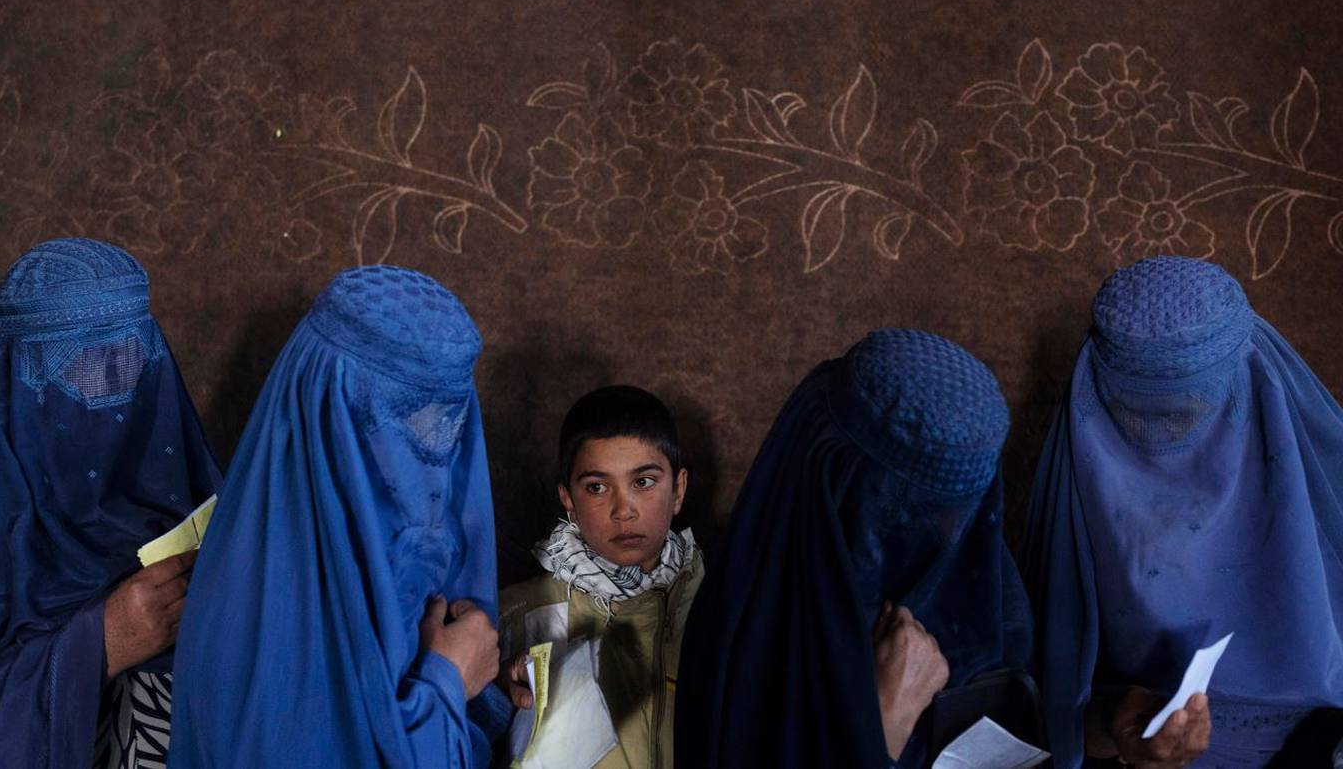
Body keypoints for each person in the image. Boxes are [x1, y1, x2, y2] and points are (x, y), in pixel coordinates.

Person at [167, 265, 509, 768]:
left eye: (445, 420)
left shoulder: (415, 550)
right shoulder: (265, 616)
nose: (429, 450)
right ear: (327, 413)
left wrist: (499, 688)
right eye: (402, 418)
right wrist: (447, 681)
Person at [0, 238, 221, 768]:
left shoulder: (192, 508)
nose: (108, 388)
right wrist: (99, 643)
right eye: (74, 366)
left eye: (126, 359)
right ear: (14, 377)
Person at [1022, 256, 1343, 767]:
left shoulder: (1326, 493)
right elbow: (1043, 712)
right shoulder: (1077, 494)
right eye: (1131, 412)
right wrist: (1120, 731)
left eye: (1191, 408)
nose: (1161, 438)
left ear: (1253, 378)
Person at [674, 329, 1032, 768]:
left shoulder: (981, 592)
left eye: (959, 512)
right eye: (910, 506)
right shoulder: (750, 634)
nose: (945, 528)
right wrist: (885, 723)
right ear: (839, 481)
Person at [495, 385, 703, 769]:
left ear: (678, 490)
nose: (623, 510)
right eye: (597, 487)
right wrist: (494, 692)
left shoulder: (724, 606)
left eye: (643, 482)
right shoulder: (516, 613)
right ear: (568, 501)